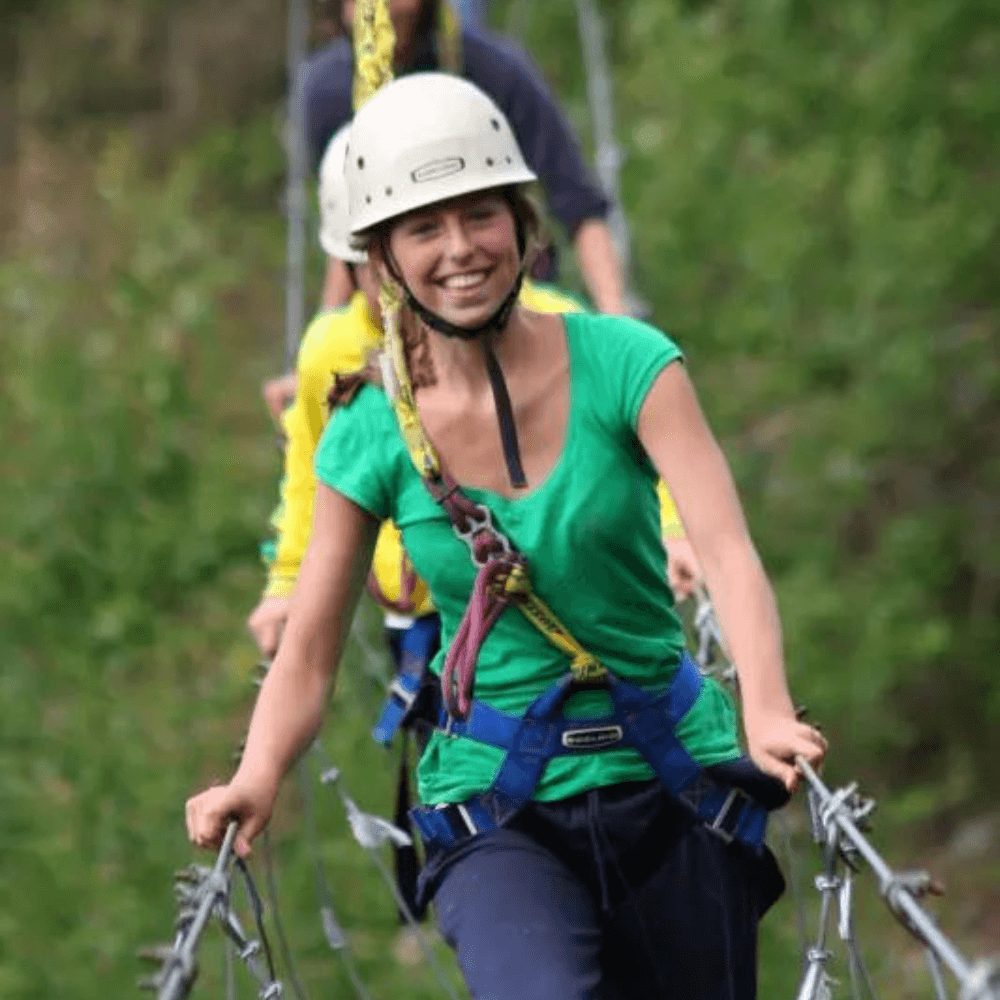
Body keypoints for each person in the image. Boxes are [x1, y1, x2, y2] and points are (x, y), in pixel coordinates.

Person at [188, 75, 826, 998]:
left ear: (524, 225)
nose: (459, 249)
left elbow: (727, 551)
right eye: (423, 228)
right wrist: (255, 776)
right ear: (382, 262)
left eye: (480, 214)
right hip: (502, 811)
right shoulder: (369, 431)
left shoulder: (629, 364)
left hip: (676, 780)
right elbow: (313, 649)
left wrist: (765, 709)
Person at [304, 0, 628, 315]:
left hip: (506, 298)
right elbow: (347, 226)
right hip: (392, 308)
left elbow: (577, 202)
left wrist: (617, 318)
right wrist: (322, 339)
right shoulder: (328, 92)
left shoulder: (493, 70)